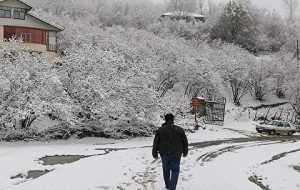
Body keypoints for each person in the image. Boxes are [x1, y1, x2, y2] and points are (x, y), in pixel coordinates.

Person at [152, 113, 189, 190]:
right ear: (173, 120)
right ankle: (172, 187)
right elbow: (185, 142)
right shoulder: (179, 129)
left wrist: (154, 153)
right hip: (176, 153)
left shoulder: (160, 130)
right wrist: (185, 152)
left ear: (165, 119)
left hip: (164, 153)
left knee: (166, 169)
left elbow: (156, 142)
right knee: (175, 170)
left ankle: (168, 185)